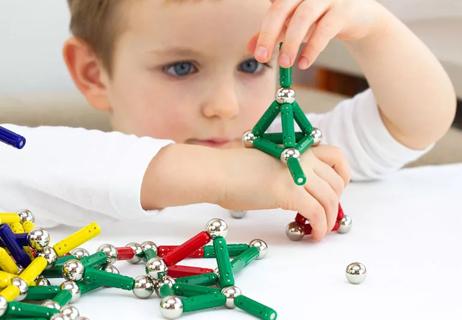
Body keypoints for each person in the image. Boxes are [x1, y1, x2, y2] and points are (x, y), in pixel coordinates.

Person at [0, 0, 455, 240]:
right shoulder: (65, 176)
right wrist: (218, 174)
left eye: (252, 66)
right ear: (93, 74)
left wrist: (374, 29)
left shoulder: (292, 152)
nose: (225, 106)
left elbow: (415, 123)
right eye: (181, 68)